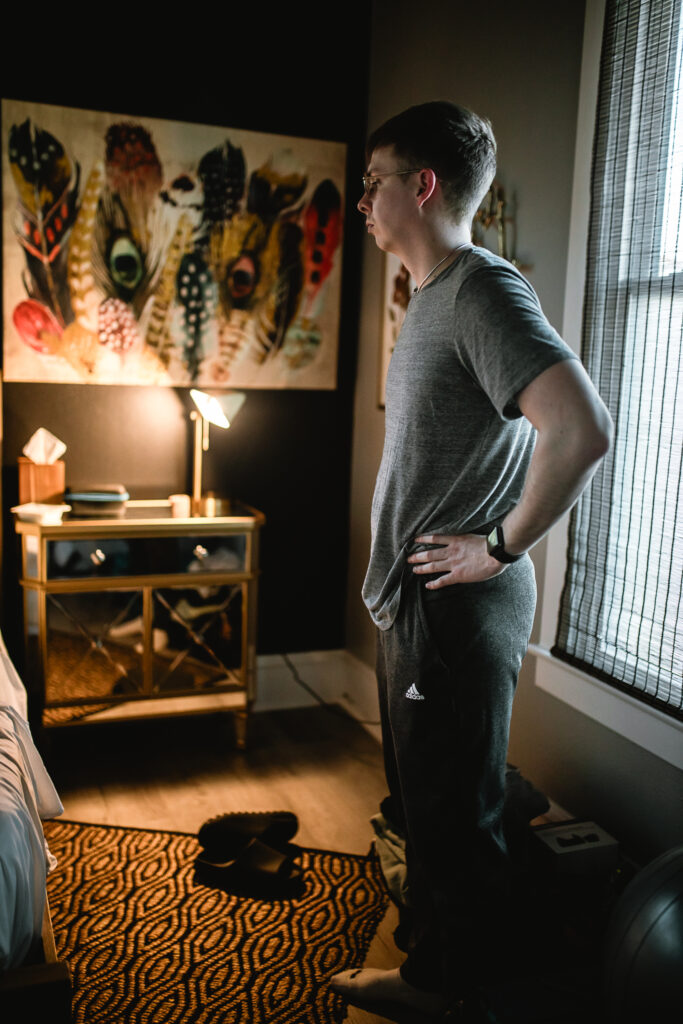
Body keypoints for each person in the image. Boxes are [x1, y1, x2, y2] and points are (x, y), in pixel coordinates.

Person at [329, 101, 612, 1021]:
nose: (362, 199)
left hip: (455, 605)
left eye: (374, 181)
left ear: (422, 186)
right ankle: (432, 966)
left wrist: (498, 546)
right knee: (425, 803)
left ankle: (449, 994)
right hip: (417, 603)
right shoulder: (430, 297)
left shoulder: (483, 289)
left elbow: (578, 431)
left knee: (454, 813)